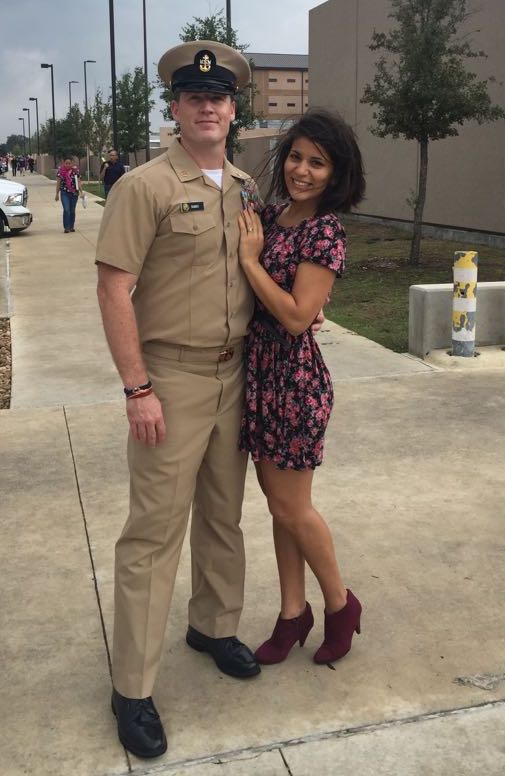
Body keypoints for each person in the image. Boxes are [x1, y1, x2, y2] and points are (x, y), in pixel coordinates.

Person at [95, 40, 262, 760]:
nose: (208, 107)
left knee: (222, 515)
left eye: (219, 98)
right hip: (171, 378)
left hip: (238, 372)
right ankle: (131, 687)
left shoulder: (247, 187)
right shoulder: (144, 186)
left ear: (232, 108)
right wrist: (138, 387)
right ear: (175, 107)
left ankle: (213, 627)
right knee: (153, 534)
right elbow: (112, 288)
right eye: (195, 98)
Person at [237, 109, 366, 668]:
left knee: (294, 506)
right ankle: (293, 614)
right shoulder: (273, 214)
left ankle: (340, 603)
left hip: (294, 381)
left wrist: (249, 261)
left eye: (318, 162)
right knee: (279, 506)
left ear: (335, 174)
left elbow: (295, 317)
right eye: (296, 156)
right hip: (259, 375)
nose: (303, 170)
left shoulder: (325, 231)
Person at [55, 156, 82, 233]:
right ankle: (66, 227)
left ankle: (71, 226)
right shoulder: (60, 172)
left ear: (72, 163)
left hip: (74, 193)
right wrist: (57, 194)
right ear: (64, 163)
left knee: (72, 211)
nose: (68, 165)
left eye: (69, 163)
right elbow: (58, 183)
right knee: (67, 210)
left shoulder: (75, 171)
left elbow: (79, 182)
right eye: (66, 163)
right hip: (64, 193)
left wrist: (81, 192)